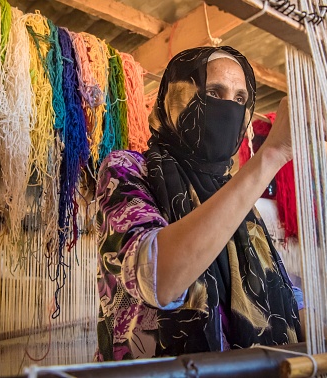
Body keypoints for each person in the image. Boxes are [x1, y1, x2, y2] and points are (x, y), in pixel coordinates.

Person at [94, 46, 302, 361]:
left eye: (240, 99)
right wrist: (271, 155)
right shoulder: (128, 170)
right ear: (174, 97)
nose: (228, 108)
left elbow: (280, 288)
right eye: (214, 92)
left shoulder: (232, 192)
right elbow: (160, 280)